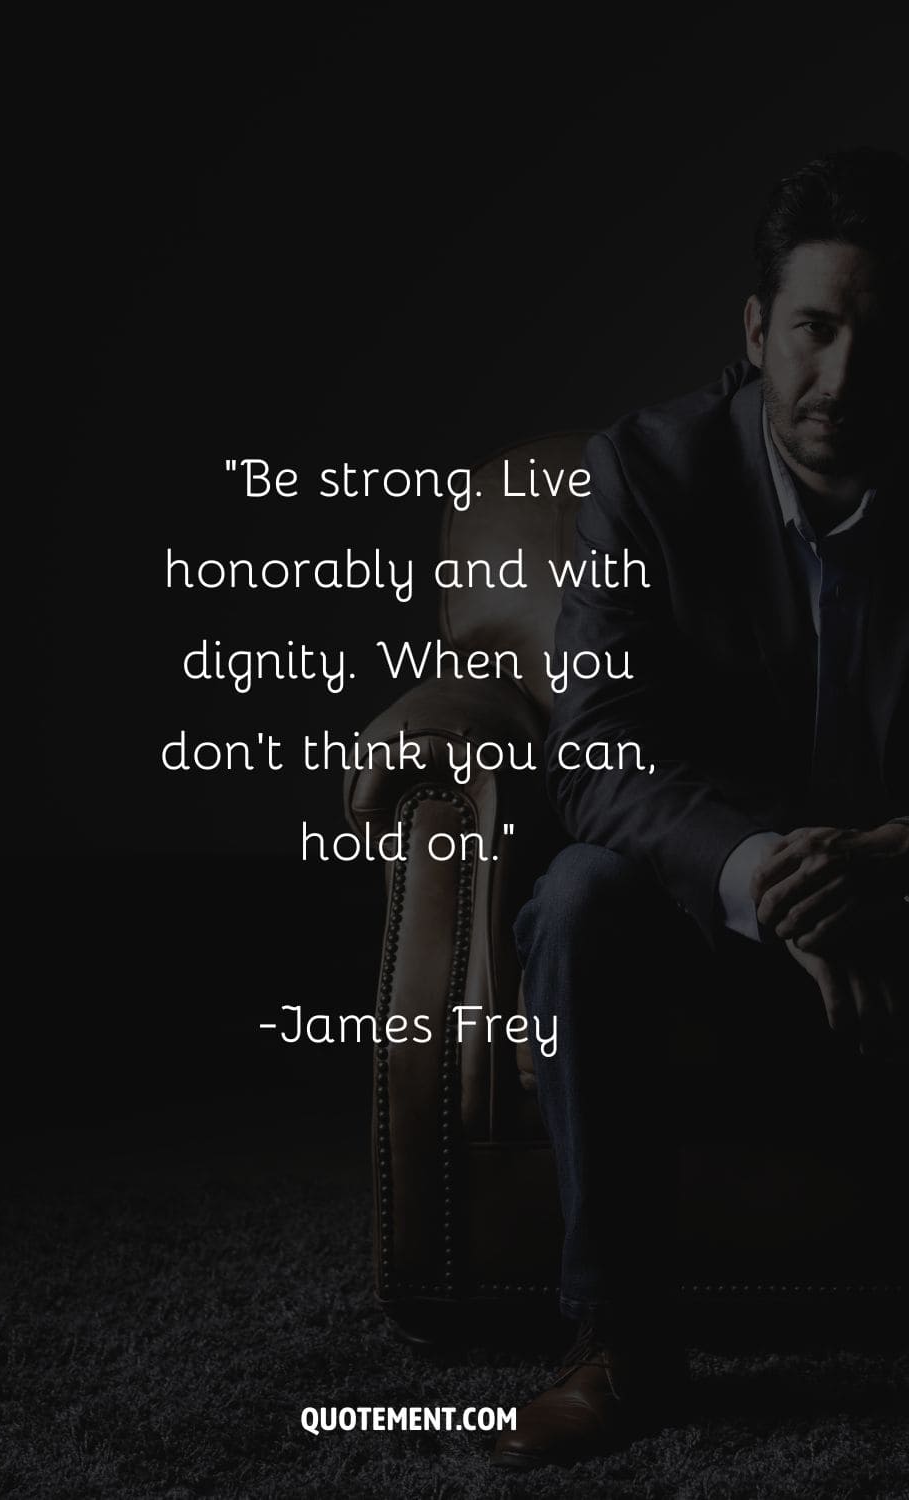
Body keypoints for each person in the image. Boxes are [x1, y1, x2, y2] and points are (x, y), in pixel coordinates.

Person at [492, 146, 909, 1471]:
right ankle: (620, 1345)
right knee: (577, 894)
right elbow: (598, 749)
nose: (841, 374)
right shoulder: (651, 471)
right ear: (755, 330)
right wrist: (762, 873)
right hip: (715, 933)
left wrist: (884, 868)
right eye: (814, 329)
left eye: (876, 336)